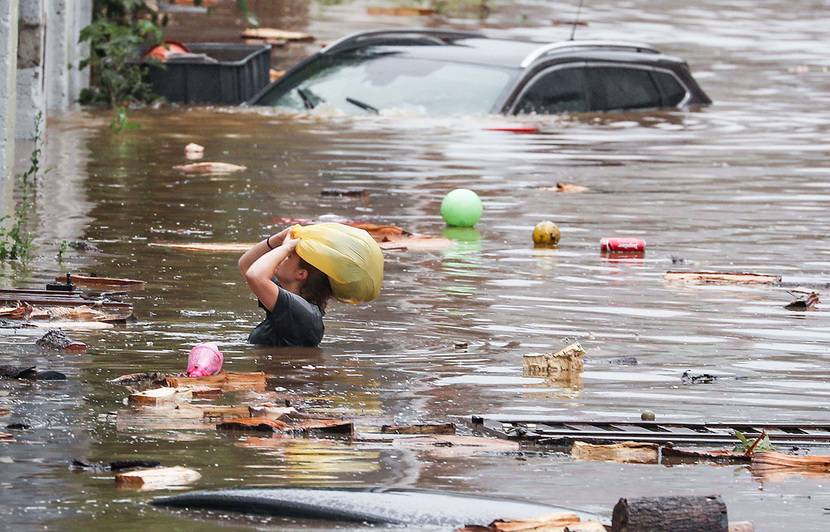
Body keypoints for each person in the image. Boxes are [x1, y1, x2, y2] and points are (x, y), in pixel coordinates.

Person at [238, 227, 332, 347]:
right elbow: (247, 265)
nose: (281, 257)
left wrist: (287, 247)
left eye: (288, 256)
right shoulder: (290, 297)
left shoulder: (302, 312)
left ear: (301, 274)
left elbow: (255, 275)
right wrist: (277, 239)